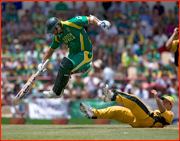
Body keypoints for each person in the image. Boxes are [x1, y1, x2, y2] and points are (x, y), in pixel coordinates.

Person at [38, 15, 111, 98]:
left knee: (66, 66)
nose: (53, 34)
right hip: (73, 55)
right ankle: (58, 91)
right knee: (63, 68)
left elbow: (90, 18)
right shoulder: (57, 36)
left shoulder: (72, 23)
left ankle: (56, 92)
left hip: (84, 53)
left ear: (57, 26)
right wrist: (42, 62)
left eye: (53, 31)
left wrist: (100, 22)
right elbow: (51, 49)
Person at [80, 84, 174, 128]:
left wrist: (157, 99)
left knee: (135, 100)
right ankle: (92, 113)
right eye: (163, 101)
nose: (163, 102)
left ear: (171, 105)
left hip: (148, 120)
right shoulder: (163, 111)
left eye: (166, 102)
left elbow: (162, 112)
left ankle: (112, 96)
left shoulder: (170, 114)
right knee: (117, 110)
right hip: (137, 122)